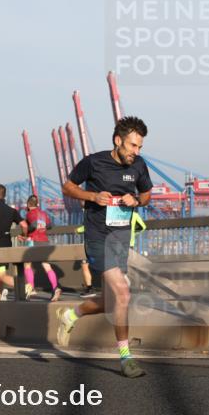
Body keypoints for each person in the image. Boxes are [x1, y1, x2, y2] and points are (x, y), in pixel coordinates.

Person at [58, 116, 153, 378]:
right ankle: (126, 358)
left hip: (121, 237)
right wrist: (92, 196)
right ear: (118, 141)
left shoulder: (139, 166)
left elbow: (146, 195)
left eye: (140, 147)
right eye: (133, 146)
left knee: (113, 302)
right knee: (123, 293)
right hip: (98, 236)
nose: (136, 151)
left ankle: (71, 314)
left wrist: (135, 199)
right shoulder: (94, 161)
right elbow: (67, 186)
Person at [23, 195, 62, 302]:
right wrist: (41, 226)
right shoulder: (43, 213)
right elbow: (49, 226)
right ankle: (55, 288)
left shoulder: (30, 213)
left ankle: (31, 287)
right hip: (44, 241)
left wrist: (27, 231)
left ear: (28, 204)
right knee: (46, 265)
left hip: (33, 241)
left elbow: (33, 225)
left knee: (27, 264)